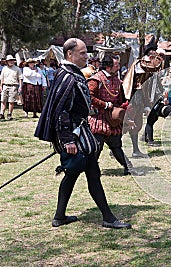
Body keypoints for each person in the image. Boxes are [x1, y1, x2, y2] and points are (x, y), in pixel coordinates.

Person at [34, 38, 131, 229]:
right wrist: (67, 139)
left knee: (79, 174)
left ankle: (61, 216)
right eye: (83, 53)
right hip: (74, 136)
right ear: (70, 54)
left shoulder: (71, 73)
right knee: (88, 174)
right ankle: (108, 218)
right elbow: (61, 110)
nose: (87, 56)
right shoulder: (68, 76)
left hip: (79, 133)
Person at [87, 53, 143, 176]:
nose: (118, 67)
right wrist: (105, 104)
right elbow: (89, 97)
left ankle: (129, 168)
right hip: (98, 119)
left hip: (112, 119)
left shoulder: (117, 81)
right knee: (97, 147)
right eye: (116, 65)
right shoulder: (96, 80)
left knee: (116, 145)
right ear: (108, 66)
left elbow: (121, 101)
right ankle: (91, 171)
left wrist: (126, 115)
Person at [122, 42, 164, 158]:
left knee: (138, 124)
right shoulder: (140, 63)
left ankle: (135, 150)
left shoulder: (150, 65)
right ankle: (115, 147)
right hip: (132, 96)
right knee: (127, 123)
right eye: (154, 55)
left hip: (141, 96)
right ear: (150, 55)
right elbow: (149, 68)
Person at [0, 55, 23, 120]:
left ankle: (9, 114)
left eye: (12, 60)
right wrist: (0, 86)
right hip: (5, 86)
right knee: (3, 101)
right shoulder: (4, 68)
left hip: (13, 86)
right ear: (6, 61)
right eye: (10, 60)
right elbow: (2, 78)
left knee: (11, 101)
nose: (11, 61)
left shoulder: (17, 69)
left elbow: (20, 78)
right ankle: (1, 114)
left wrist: (20, 86)